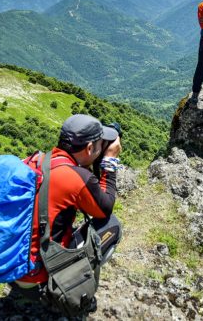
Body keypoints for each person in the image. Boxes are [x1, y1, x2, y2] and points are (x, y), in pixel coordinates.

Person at [10, 114, 123, 307]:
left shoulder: (36, 161)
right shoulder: (75, 177)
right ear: (89, 148)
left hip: (12, 271)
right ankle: (75, 287)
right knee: (112, 225)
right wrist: (109, 162)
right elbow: (104, 208)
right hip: (40, 281)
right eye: (99, 144)